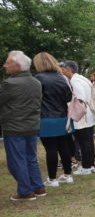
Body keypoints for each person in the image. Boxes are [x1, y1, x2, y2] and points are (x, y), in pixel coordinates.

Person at [1, 51, 46, 200]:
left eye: (8, 63)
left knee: (16, 160)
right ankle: (38, 187)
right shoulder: (36, 82)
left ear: (17, 66)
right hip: (31, 126)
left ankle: (26, 191)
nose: (5, 65)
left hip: (14, 127)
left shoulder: (10, 84)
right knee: (31, 158)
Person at [32, 52, 74, 187]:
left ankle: (52, 179)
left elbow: (34, 99)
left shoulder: (38, 78)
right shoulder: (62, 78)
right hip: (63, 117)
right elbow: (69, 97)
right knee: (63, 146)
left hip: (46, 118)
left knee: (51, 149)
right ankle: (67, 175)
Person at [60, 61, 95, 176]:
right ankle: (90, 165)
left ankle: (86, 167)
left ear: (68, 70)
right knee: (89, 141)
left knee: (84, 141)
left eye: (63, 69)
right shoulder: (82, 78)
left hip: (81, 114)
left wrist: (69, 104)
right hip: (87, 112)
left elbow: (80, 97)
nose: (62, 71)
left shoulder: (74, 80)